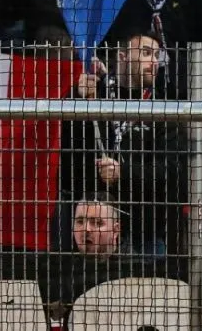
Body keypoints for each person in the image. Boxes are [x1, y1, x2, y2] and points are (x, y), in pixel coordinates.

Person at [71, 33, 186, 253]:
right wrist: (77, 102)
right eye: (145, 53)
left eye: (156, 55)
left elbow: (173, 170)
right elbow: (70, 152)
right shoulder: (95, 92)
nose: (154, 62)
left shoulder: (163, 106)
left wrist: (123, 172)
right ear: (122, 56)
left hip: (145, 232)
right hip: (93, 231)